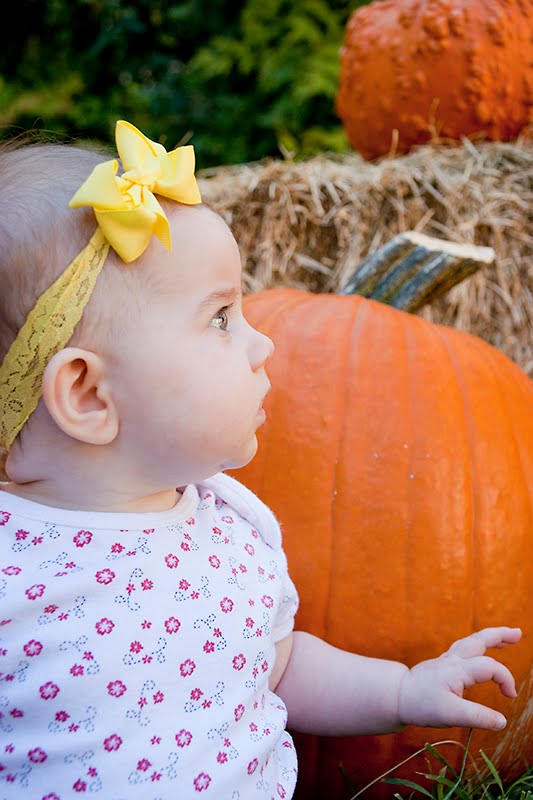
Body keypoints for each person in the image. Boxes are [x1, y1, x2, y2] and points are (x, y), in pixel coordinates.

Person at [0, 120, 522, 800]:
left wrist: (400, 689)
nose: (262, 344)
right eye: (220, 318)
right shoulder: (16, 570)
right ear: (88, 395)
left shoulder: (233, 527)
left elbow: (277, 664)